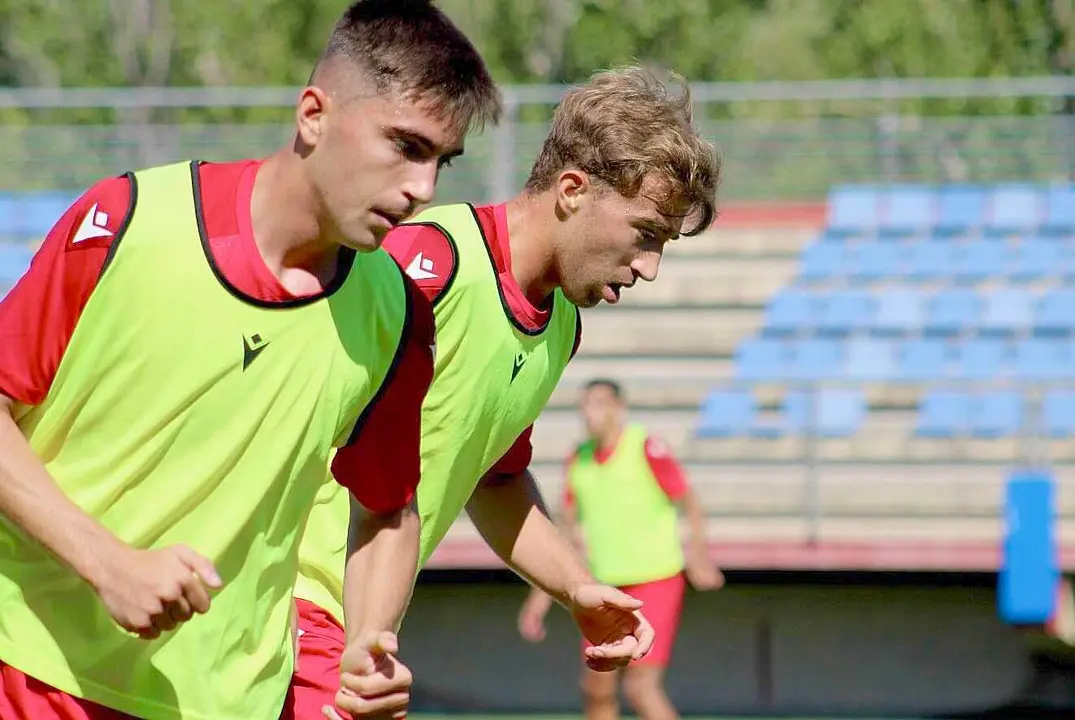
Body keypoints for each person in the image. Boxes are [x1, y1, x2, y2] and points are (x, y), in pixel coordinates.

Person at [0, 1, 500, 719]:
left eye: (440, 162)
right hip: (34, 672)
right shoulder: (129, 224)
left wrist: (369, 642)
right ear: (313, 115)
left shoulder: (395, 311)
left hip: (230, 700)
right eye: (405, 146)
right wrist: (107, 564)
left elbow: (388, 509)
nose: (423, 190)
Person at [288, 65, 721, 720]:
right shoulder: (426, 264)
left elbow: (494, 478)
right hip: (282, 604)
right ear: (572, 190)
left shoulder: (561, 327)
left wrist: (576, 587)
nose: (650, 268)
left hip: (353, 629)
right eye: (644, 234)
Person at [518, 378, 724, 720]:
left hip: (654, 580)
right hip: (605, 587)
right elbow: (563, 533)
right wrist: (540, 598)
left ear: (619, 408)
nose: (590, 413)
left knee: (640, 687)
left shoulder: (646, 448)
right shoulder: (578, 460)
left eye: (599, 404)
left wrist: (699, 555)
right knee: (596, 687)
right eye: (585, 405)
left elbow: (690, 503)